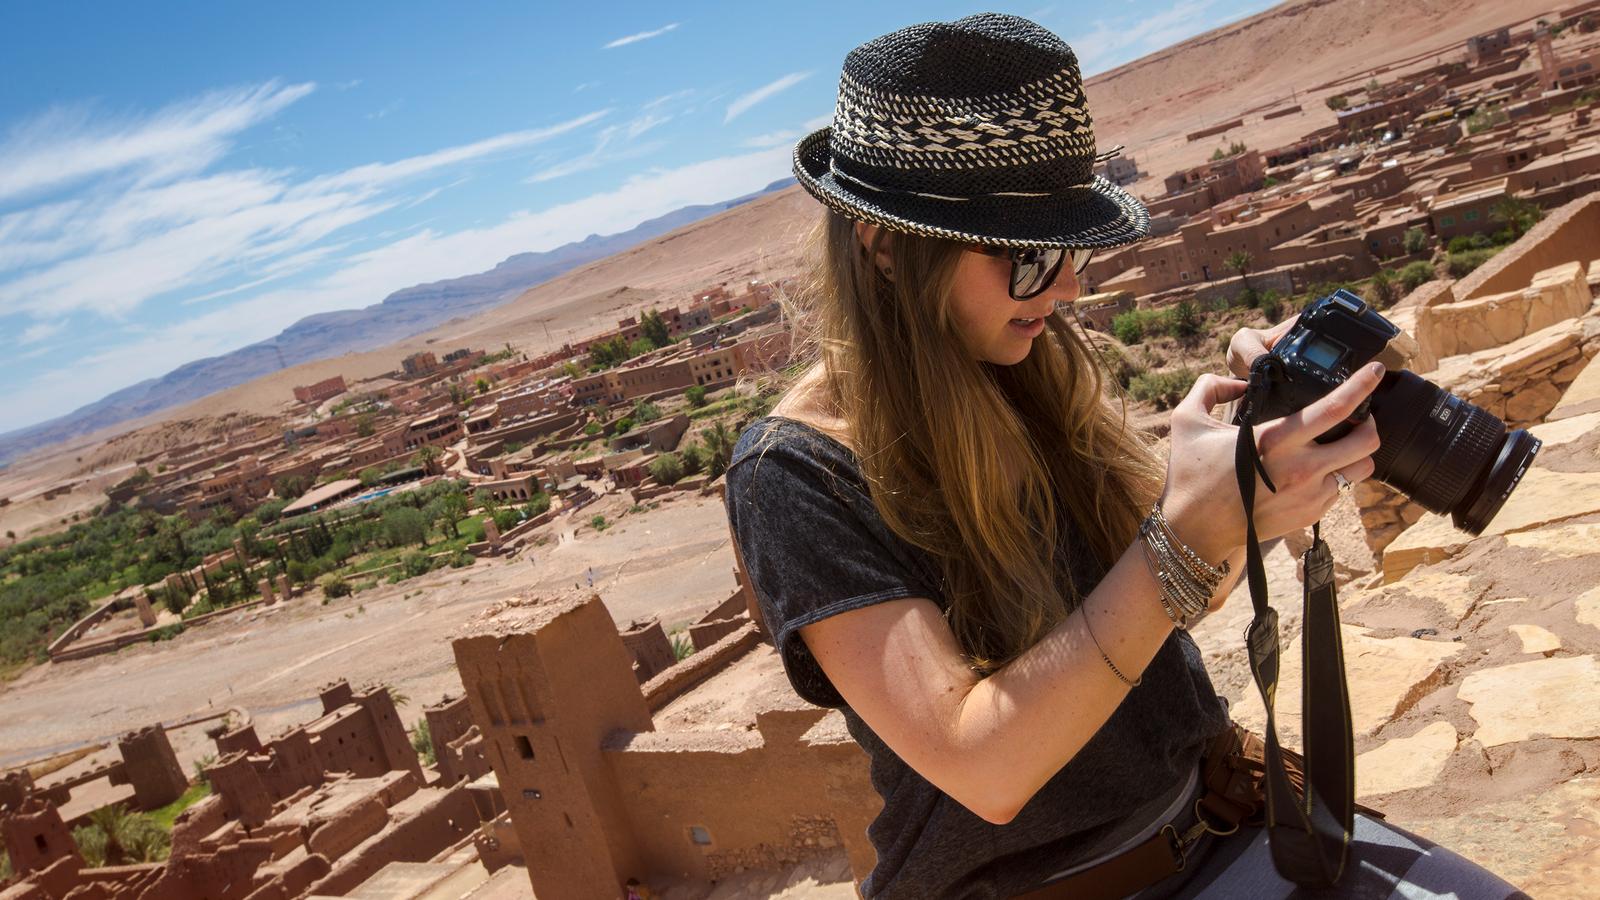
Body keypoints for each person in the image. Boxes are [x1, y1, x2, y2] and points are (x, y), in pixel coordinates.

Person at [723, 13, 1527, 900]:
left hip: (1221, 818)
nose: (1067, 285)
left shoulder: (1023, 371)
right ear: (884, 249)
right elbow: (984, 765)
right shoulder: (797, 473)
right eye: (1030, 256)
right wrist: (1185, 534)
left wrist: (1251, 475)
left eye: (1070, 248)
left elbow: (1171, 601)